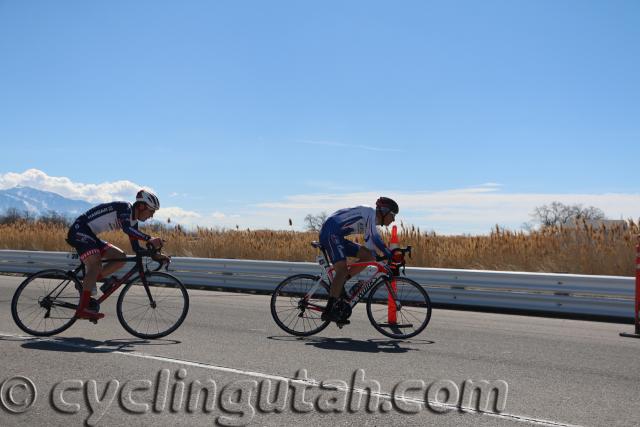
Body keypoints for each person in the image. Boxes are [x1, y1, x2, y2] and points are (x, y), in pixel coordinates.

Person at [66, 189, 164, 321]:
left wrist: (155, 255)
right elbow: (126, 229)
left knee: (121, 257)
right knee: (95, 265)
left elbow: (136, 248)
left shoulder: (133, 221)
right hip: (79, 230)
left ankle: (88, 283)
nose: (151, 216)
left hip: (90, 234)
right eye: (151, 211)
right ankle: (82, 309)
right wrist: (149, 238)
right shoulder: (125, 208)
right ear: (141, 206)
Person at [319, 197, 399, 323]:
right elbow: (376, 239)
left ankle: (341, 285)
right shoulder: (370, 214)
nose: (394, 219)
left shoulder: (371, 221)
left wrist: (380, 255)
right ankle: (329, 311)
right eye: (393, 215)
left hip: (337, 235)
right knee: (342, 270)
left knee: (368, 257)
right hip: (331, 233)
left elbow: (370, 247)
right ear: (384, 211)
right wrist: (389, 254)